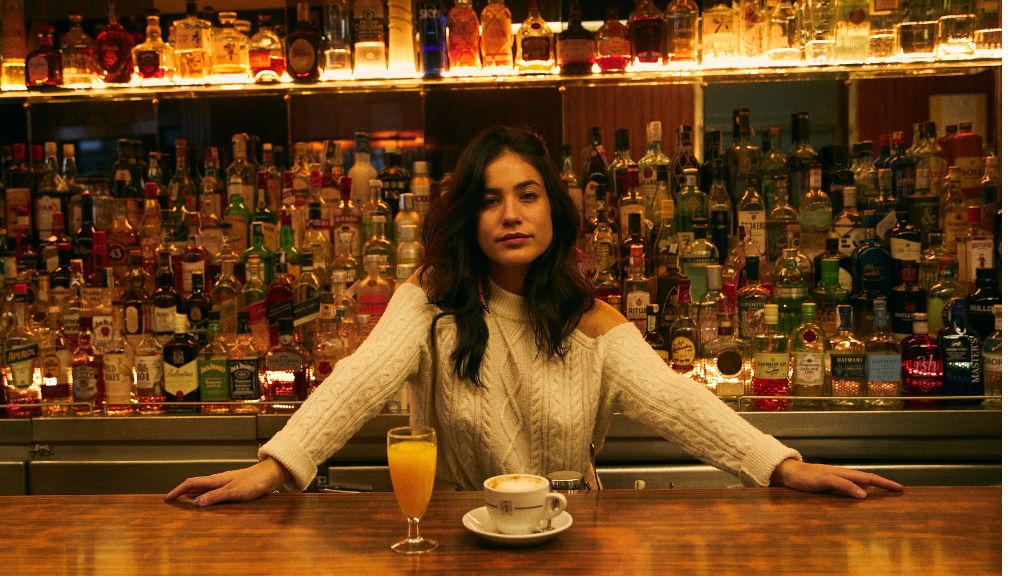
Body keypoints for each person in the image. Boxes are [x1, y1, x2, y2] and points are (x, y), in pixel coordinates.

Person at [166, 126, 902, 506]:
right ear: (469, 218)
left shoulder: (591, 321)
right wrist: (276, 467)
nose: (511, 215)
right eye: (490, 200)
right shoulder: (431, 300)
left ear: (554, 208)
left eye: (527, 195)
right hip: (459, 540)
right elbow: (362, 379)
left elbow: (679, 403)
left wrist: (782, 465)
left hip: (574, 538)